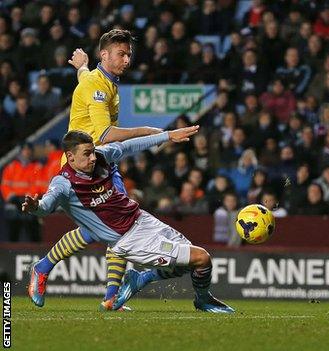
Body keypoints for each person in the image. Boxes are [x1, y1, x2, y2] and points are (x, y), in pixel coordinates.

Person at [24, 127, 233, 313]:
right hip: (131, 241)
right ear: (70, 157)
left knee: (192, 264)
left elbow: (129, 146)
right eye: (86, 154)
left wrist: (168, 136)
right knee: (202, 258)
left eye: (92, 152)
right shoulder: (63, 183)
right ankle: (203, 300)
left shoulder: (102, 156)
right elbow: (46, 207)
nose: (93, 158)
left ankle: (141, 279)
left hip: (143, 219)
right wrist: (36, 208)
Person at [30, 29, 164, 311]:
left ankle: (104, 292)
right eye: (121, 54)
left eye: (129, 54)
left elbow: (87, 81)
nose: (127, 59)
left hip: (99, 164)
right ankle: (100, 290)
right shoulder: (100, 86)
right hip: (82, 166)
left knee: (104, 229)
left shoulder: (100, 80)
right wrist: (147, 132)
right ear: (105, 55)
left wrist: (82, 67)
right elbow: (104, 133)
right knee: (119, 227)